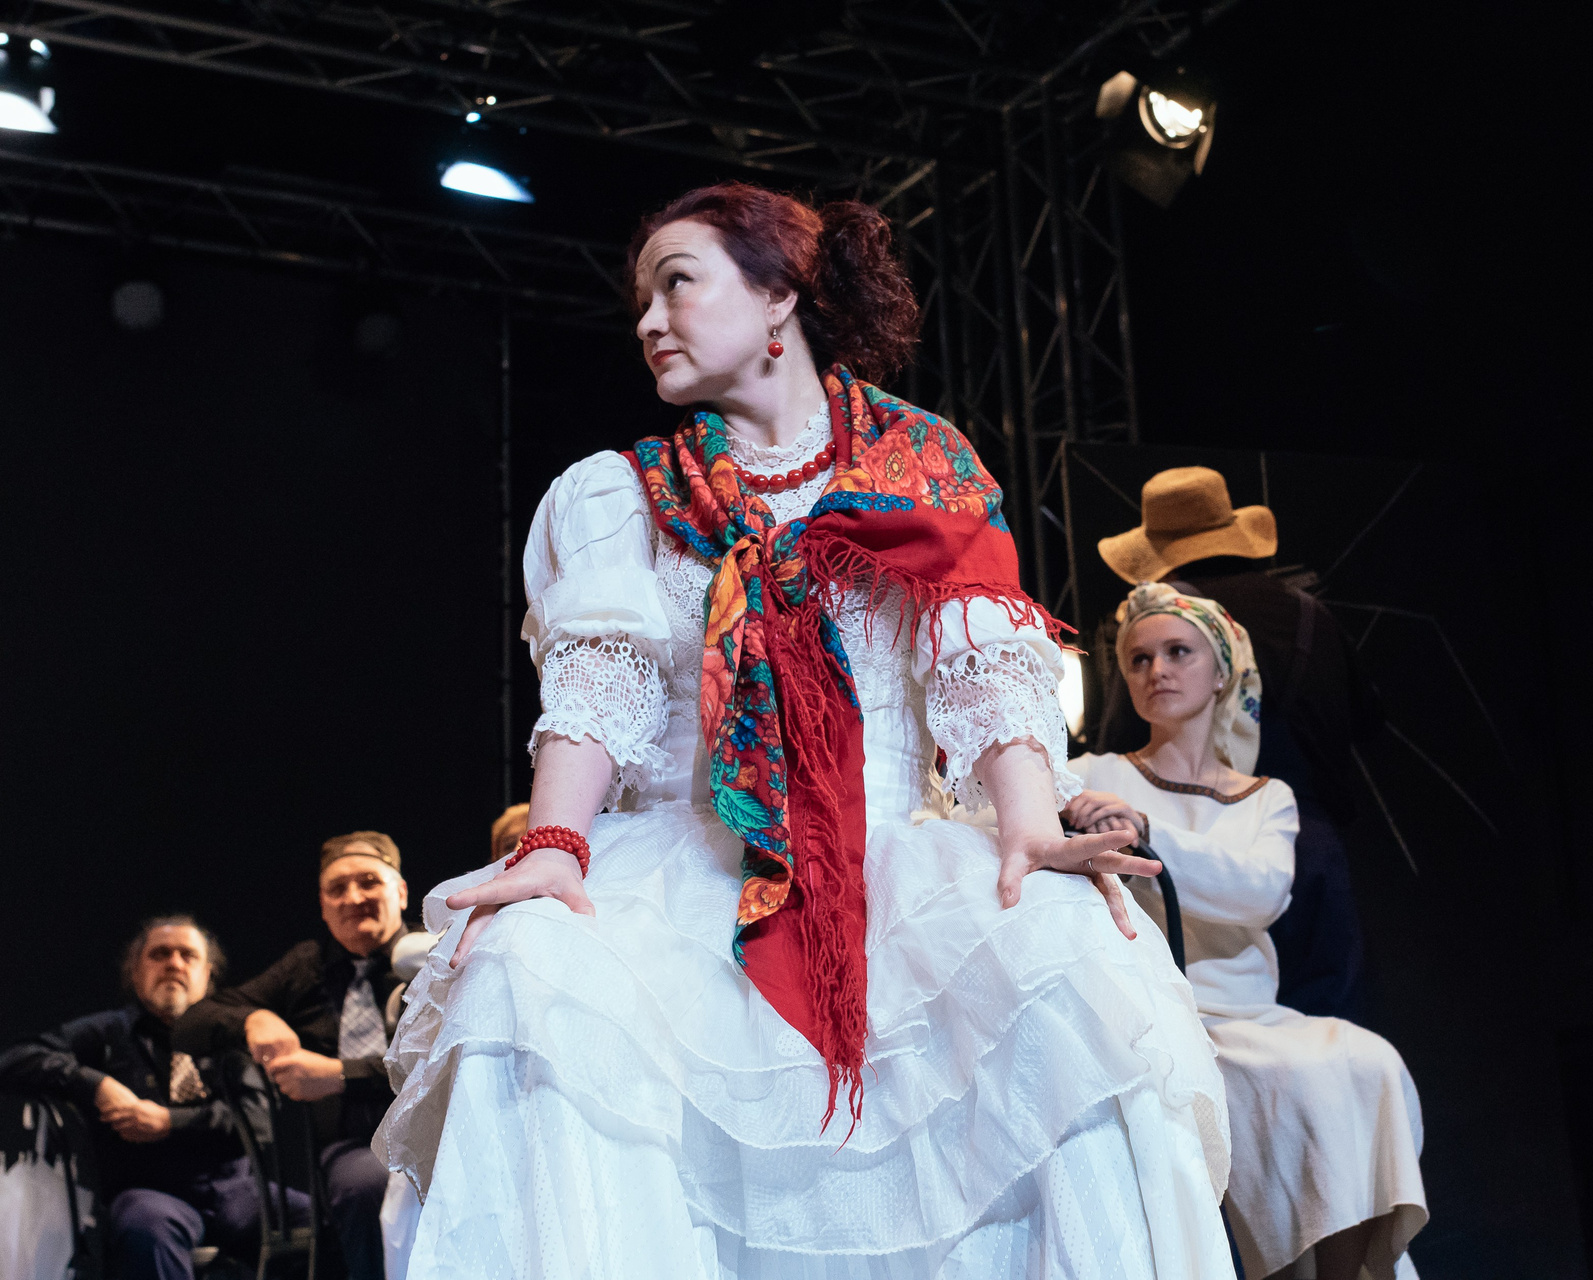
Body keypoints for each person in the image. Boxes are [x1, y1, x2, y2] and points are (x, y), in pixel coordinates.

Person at [374, 182, 1234, 1279]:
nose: (648, 321)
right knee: (533, 966)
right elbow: (601, 686)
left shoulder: (923, 468)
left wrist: (1028, 825)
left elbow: (981, 662)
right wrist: (553, 844)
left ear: (778, 293)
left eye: (676, 284)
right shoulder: (623, 496)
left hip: (891, 854)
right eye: (641, 301)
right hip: (689, 860)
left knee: (1063, 960)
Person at [1068, 583, 1427, 1280]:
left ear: (1222, 671)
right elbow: (996, 815)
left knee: (1368, 1062)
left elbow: (1259, 892)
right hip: (1164, 1017)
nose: (1157, 670)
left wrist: (1147, 829)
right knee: (1295, 1081)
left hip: (1254, 1014)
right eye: (1139, 659)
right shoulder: (1095, 776)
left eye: (1178, 652)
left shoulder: (1268, 798)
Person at [1097, 466, 1384, 1021]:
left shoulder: (1156, 625)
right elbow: (1368, 719)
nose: (1160, 668)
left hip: (1207, 834)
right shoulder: (1311, 614)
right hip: (1316, 846)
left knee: (1213, 1030)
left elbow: (1121, 735)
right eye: (1147, 663)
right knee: (1324, 1035)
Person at [0, 915, 305, 1280]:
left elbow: (258, 1120)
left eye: (187, 955)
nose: (174, 964)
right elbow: (17, 1057)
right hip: (150, 1193)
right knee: (146, 1230)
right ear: (135, 972)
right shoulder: (109, 1031)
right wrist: (95, 1084)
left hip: (237, 1193)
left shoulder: (229, 1036)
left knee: (322, 1222)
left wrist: (168, 1122)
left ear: (207, 974)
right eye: (159, 954)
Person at [176, 831, 416, 1280]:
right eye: (337, 889)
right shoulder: (308, 965)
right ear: (323, 906)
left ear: (400, 892)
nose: (353, 898)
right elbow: (192, 1022)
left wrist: (341, 1074)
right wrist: (253, 1019)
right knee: (368, 1185)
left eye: (369, 882)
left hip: (438, 1131)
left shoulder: (433, 954)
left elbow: (441, 1057)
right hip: (354, 1149)